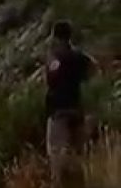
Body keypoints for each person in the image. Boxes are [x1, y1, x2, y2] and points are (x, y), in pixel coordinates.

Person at [44, 20, 97, 187]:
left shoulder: (55, 56)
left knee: (57, 158)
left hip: (59, 112)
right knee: (77, 158)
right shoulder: (79, 56)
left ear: (55, 36)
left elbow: (51, 76)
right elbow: (93, 68)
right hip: (76, 110)